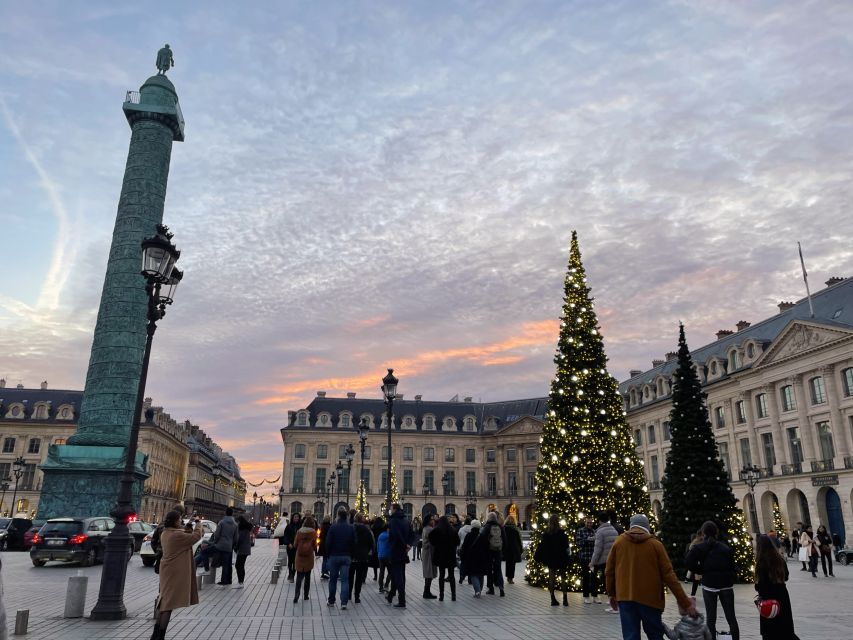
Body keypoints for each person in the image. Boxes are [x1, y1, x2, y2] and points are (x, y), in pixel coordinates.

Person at [605, 514, 697, 640]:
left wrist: (611, 594)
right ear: (646, 527)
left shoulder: (619, 542)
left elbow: (609, 571)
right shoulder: (656, 545)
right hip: (651, 600)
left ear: (631, 526)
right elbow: (669, 576)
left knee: (630, 636)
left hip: (625, 598)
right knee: (655, 635)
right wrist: (685, 603)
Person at [152, 511, 204, 639]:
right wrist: (198, 523)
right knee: (167, 605)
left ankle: (156, 634)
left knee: (164, 602)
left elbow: (183, 535)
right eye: (179, 519)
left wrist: (189, 523)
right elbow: (195, 537)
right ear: (175, 521)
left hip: (167, 571)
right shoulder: (175, 536)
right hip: (174, 572)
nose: (181, 521)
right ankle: (160, 636)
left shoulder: (166, 532)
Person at [684, 521, 739, 640]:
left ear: (703, 533)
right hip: (726, 585)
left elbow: (688, 562)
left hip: (709, 585)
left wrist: (700, 570)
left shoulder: (699, 547)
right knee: (731, 618)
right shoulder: (725, 548)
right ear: (716, 533)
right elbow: (733, 566)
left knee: (711, 618)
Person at [755, 534, 797, 640]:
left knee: (770, 630)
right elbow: (786, 577)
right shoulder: (780, 559)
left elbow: (761, 585)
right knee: (785, 627)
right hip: (782, 595)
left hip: (768, 599)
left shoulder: (761, 562)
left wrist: (757, 587)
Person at [534, 514, 570, 606]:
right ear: (558, 522)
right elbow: (566, 547)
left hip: (551, 558)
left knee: (551, 578)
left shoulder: (546, 534)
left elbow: (543, 546)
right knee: (563, 578)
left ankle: (552, 599)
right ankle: (565, 599)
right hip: (561, 557)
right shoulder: (562, 533)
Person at [325, 508, 355, 609]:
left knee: (332, 580)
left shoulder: (333, 527)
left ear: (337, 516)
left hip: (334, 556)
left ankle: (331, 601)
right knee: (344, 580)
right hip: (346, 556)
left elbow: (328, 543)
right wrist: (351, 554)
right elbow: (354, 542)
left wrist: (328, 555)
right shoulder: (351, 528)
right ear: (346, 516)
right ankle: (344, 603)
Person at [386, 503, 413, 608]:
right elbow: (412, 534)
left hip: (396, 550)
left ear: (395, 509)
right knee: (399, 574)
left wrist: (404, 545)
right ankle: (391, 595)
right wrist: (408, 545)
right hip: (403, 551)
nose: (389, 510)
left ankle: (402, 600)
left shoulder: (393, 521)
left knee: (397, 576)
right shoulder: (406, 521)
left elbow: (397, 535)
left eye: (391, 508)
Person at [590, 511, 619, 609]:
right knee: (612, 581)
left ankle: (612, 603)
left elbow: (598, 549)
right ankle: (613, 600)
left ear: (599, 521)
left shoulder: (600, 531)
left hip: (602, 560)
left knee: (605, 581)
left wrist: (592, 562)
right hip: (613, 559)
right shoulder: (614, 530)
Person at [429, 515, 460, 601]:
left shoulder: (437, 530)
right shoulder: (453, 530)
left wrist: (436, 544)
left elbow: (430, 537)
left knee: (441, 576)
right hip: (450, 555)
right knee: (452, 576)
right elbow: (457, 541)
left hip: (440, 555)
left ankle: (441, 595)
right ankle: (453, 596)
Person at [347, 513, 375, 604]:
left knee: (350, 577)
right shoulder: (367, 530)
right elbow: (371, 543)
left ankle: (349, 595)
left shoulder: (350, 528)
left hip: (351, 556)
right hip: (362, 557)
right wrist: (369, 552)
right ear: (362, 520)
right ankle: (357, 596)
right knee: (359, 578)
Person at [460, 519, 489, 597]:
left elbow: (464, 547)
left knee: (473, 574)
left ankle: (477, 591)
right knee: (481, 574)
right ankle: (480, 589)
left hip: (471, 558)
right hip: (482, 558)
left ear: (472, 526)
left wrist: (463, 556)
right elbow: (487, 547)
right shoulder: (483, 536)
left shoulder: (469, 535)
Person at [293, 516, 317, 604]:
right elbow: (314, 544)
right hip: (309, 556)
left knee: (299, 576)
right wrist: (315, 550)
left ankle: (296, 595)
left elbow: (295, 544)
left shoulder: (299, 531)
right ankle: (306, 595)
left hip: (300, 556)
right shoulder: (313, 532)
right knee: (307, 576)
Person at [212, 507, 238, 586]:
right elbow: (236, 538)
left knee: (218, 560)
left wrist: (215, 542)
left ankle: (223, 580)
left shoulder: (222, 522)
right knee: (227, 564)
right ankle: (227, 580)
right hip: (229, 546)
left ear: (225, 513)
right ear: (232, 514)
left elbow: (217, 535)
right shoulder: (235, 524)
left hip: (220, 545)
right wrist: (232, 545)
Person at [576, 515, 598, 603]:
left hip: (593, 558)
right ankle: (586, 596)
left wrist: (594, 540)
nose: (589, 524)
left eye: (591, 522)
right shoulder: (580, 531)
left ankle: (595, 596)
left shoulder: (594, 531)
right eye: (588, 522)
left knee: (594, 577)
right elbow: (578, 543)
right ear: (585, 522)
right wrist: (588, 540)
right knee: (585, 577)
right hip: (584, 557)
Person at [421, 513, 438, 598]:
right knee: (429, 573)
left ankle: (427, 591)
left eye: (433, 519)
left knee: (429, 573)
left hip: (427, 552)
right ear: (428, 521)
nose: (433, 521)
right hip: (429, 553)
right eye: (431, 519)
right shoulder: (429, 529)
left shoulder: (426, 528)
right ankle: (426, 592)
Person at [503, 515, 523, 585]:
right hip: (514, 549)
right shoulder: (515, 529)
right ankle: (510, 578)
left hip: (506, 548)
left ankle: (508, 577)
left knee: (508, 563)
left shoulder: (504, 528)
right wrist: (521, 549)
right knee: (512, 564)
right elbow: (519, 540)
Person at [282, 512, 302, 582]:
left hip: (298, 547)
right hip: (290, 546)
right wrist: (288, 543)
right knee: (290, 561)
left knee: (296, 562)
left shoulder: (301, 527)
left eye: (297, 517)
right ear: (292, 518)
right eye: (295, 517)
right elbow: (285, 536)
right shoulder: (289, 526)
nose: (296, 518)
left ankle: (293, 574)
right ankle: (290, 573)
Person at [234, 515, 253, 588]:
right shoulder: (246, 528)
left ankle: (240, 582)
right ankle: (241, 581)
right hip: (246, 549)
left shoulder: (242, 529)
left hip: (242, 549)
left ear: (240, 521)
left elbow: (240, 539)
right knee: (241, 565)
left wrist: (236, 547)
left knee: (238, 565)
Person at [686, 530, 705, 597]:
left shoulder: (699, 541)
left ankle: (693, 594)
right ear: (700, 535)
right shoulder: (697, 541)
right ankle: (693, 594)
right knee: (697, 577)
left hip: (695, 561)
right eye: (702, 535)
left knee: (697, 578)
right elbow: (691, 548)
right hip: (695, 562)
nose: (703, 536)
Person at [376, 522, 392, 593]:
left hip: (380, 556)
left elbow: (378, 545)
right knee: (391, 572)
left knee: (381, 572)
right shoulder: (389, 536)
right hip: (387, 556)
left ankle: (380, 587)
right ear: (388, 529)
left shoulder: (380, 535)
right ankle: (386, 585)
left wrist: (378, 553)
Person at [457, 516, 473, 584]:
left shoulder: (461, 529)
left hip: (462, 548)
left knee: (463, 563)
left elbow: (458, 538)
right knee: (470, 564)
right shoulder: (472, 529)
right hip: (471, 549)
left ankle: (461, 577)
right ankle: (470, 579)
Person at [318, 514, 332, 579]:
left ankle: (323, 572)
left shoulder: (322, 526)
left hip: (323, 544)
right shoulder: (330, 526)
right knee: (327, 558)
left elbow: (320, 536)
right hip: (328, 544)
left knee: (324, 559)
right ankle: (326, 572)